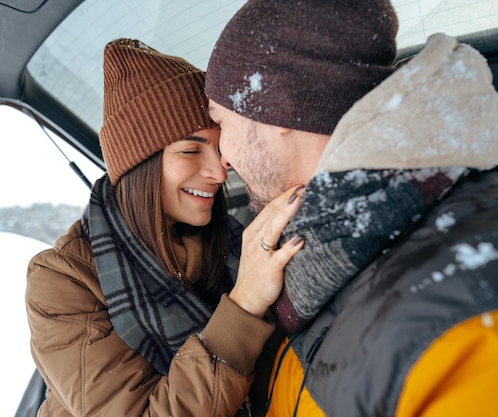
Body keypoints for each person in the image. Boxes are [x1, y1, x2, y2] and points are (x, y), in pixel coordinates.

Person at [204, 1, 498, 416]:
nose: (224, 158)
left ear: (277, 107)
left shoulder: (464, 308)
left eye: (221, 123)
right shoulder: (321, 252)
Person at [25, 38, 305, 417]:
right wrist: (245, 305)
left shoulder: (231, 239)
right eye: (191, 151)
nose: (218, 172)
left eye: (218, 149)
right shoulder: (63, 280)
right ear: (139, 164)